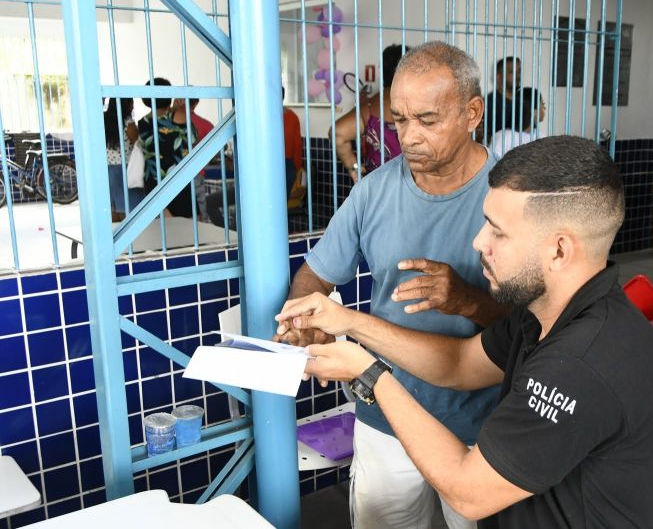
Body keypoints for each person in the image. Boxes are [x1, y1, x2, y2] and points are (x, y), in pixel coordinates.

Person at [277, 136, 653, 528]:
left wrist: (367, 373)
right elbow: (458, 363)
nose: (478, 242)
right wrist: (348, 321)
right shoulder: (546, 312)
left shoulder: (583, 361)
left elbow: (466, 491)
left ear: (559, 250)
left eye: (497, 231)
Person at [275, 41, 508, 529]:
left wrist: (467, 300)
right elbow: (317, 273)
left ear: (472, 112)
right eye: (399, 119)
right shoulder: (373, 191)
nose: (408, 137)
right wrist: (303, 317)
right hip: (385, 412)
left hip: (483, 424)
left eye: (427, 119)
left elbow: (535, 326)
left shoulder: (510, 196)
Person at [206, 87, 304, 228]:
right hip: (285, 168)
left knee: (254, 209)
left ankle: (232, 235)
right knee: (277, 211)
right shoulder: (291, 116)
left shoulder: (259, 116)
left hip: (263, 168)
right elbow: (297, 148)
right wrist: (294, 171)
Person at [330, 44, 405, 183]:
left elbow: (337, 133)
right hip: (415, 186)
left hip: (377, 186)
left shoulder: (369, 106)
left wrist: (354, 169)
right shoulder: (421, 101)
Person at [137, 77, 198, 218]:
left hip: (152, 181)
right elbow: (193, 138)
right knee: (186, 230)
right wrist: (179, 108)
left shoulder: (142, 123)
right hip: (177, 178)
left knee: (162, 231)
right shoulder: (178, 115)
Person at [103, 97, 143, 221]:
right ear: (126, 104)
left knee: (113, 209)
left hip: (107, 169)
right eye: (131, 102)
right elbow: (137, 141)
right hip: (125, 169)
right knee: (129, 210)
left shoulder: (103, 120)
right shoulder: (127, 121)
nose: (133, 105)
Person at [490, 87, 545, 158]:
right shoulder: (504, 137)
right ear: (533, 110)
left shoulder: (541, 136)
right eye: (542, 105)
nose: (544, 109)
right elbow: (493, 164)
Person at [479, 57, 520, 146]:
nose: (517, 76)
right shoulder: (488, 103)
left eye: (519, 72)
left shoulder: (525, 100)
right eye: (512, 72)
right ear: (499, 77)